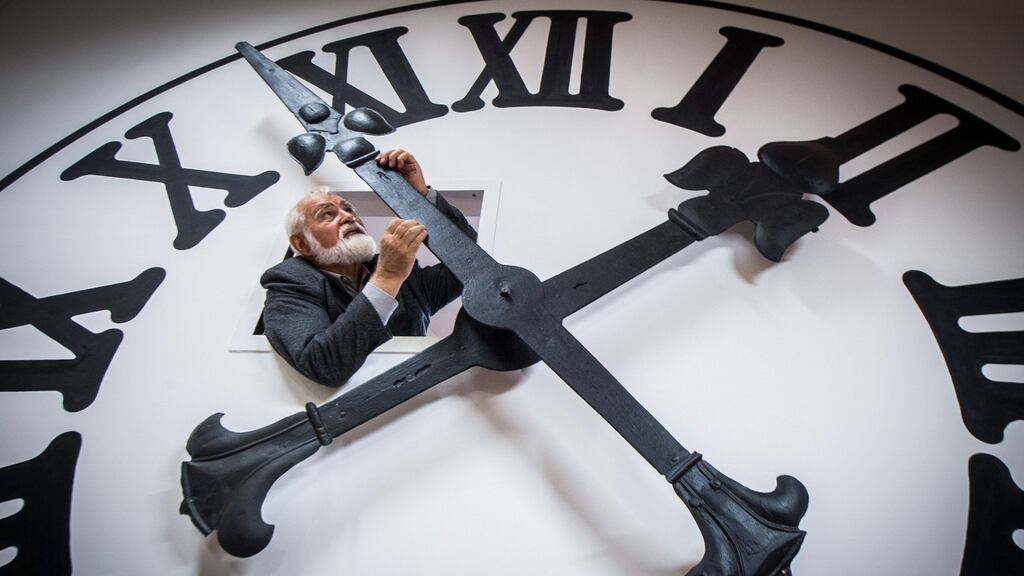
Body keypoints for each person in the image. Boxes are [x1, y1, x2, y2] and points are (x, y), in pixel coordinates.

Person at [260, 149, 477, 387]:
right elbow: (324, 364)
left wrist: (420, 198)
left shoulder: (410, 277)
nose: (348, 217)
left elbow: (472, 262)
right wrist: (388, 277)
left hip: (420, 399)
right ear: (301, 243)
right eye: (328, 215)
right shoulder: (288, 283)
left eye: (349, 210)